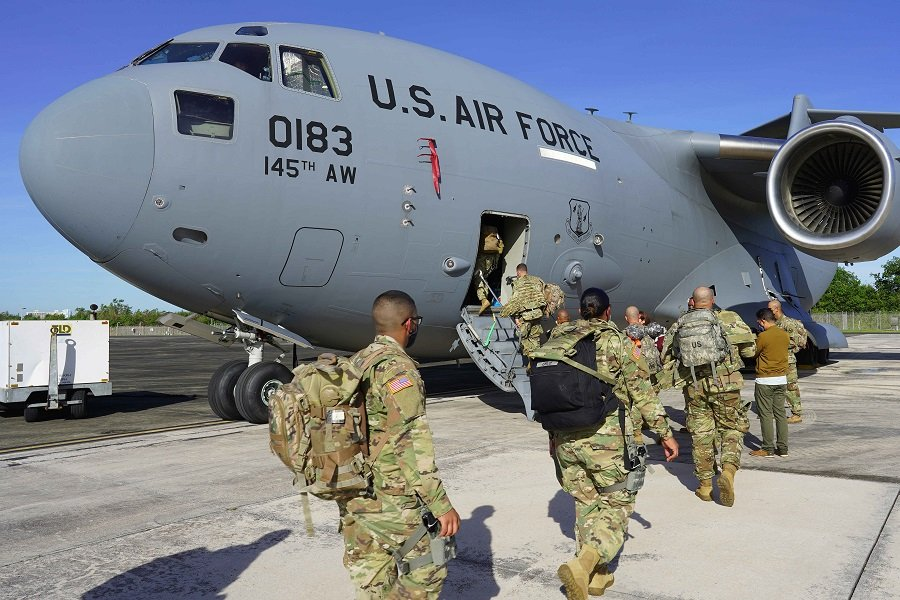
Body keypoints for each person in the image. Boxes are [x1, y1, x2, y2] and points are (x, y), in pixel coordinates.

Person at [550, 288, 678, 599]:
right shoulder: (618, 342)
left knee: (586, 504)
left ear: (582, 311)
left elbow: (550, 394)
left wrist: (553, 438)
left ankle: (598, 576)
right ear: (608, 313)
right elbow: (642, 393)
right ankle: (584, 564)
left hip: (565, 439)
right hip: (606, 440)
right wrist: (665, 433)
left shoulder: (558, 341)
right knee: (618, 503)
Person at [340, 290, 460, 598]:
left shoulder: (356, 362)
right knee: (429, 568)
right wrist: (440, 504)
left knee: (371, 582)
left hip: (355, 493)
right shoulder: (398, 369)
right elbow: (412, 440)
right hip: (393, 497)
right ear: (409, 324)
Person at [660, 286, 756, 507]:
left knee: (702, 435)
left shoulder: (680, 324)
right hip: (726, 385)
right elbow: (750, 352)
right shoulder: (729, 318)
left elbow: (666, 358)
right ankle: (729, 471)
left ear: (692, 302)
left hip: (695, 388)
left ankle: (704, 486)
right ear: (712, 301)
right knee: (731, 428)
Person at [750, 307, 790, 458]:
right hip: (781, 379)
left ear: (763, 321)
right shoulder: (784, 334)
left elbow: (754, 353)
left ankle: (767, 448)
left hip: (765, 379)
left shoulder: (763, 336)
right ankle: (783, 448)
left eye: (759, 322)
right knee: (780, 414)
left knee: (766, 415)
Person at [768, 299, 808, 424]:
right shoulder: (775, 324)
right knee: (775, 386)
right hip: (776, 359)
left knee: (791, 387)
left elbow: (794, 342)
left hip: (787, 360)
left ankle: (796, 414)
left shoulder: (788, 324)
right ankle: (776, 412)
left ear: (777, 309)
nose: (768, 311)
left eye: (770, 309)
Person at [499, 263, 547, 357]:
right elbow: (543, 296)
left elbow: (516, 302)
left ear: (518, 272)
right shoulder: (537, 280)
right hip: (537, 314)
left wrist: (516, 318)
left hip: (526, 317)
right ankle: (535, 361)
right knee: (535, 338)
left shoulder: (517, 283)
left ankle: (530, 361)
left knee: (523, 338)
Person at [473, 225, 504, 314]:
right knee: (485, 277)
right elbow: (501, 249)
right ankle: (485, 299)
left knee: (478, 279)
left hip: (482, 258)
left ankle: (483, 300)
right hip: (493, 259)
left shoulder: (481, 235)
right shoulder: (496, 236)